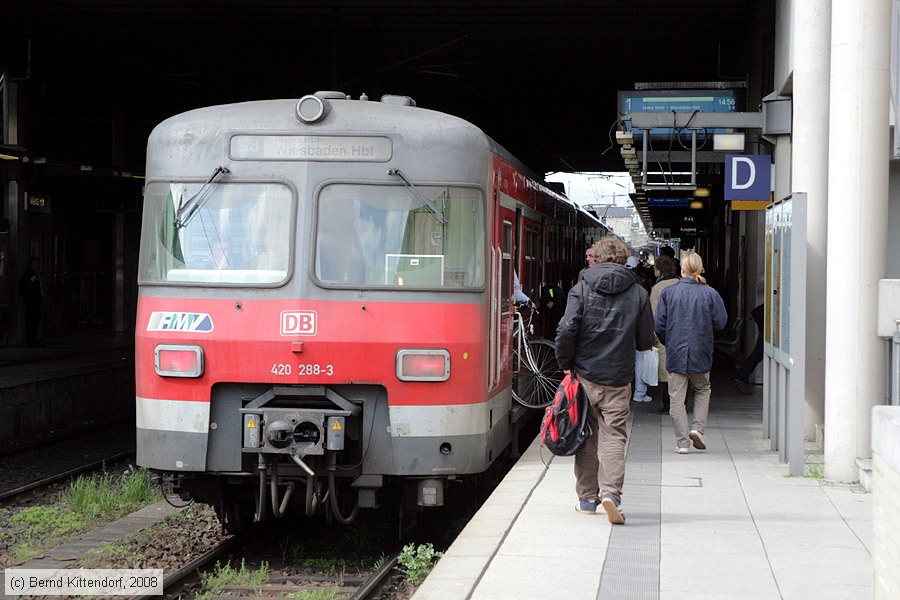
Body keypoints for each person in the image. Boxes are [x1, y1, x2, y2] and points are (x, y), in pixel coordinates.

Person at [555, 236, 654, 524]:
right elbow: (645, 340)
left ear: (596, 258)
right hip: (618, 378)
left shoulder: (581, 288)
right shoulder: (638, 293)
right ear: (624, 260)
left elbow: (565, 330)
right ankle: (611, 493)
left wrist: (566, 364)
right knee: (614, 437)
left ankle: (587, 500)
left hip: (584, 377)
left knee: (585, 438)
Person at [655, 252, 727, 454]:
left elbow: (659, 324)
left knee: (677, 398)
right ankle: (697, 428)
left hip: (676, 350)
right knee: (703, 389)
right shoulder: (710, 293)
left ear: (682, 269)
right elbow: (720, 322)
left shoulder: (668, 293)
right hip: (701, 349)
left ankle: (682, 443)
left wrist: (668, 341)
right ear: (700, 269)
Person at [649, 256, 679, 413]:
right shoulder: (680, 283)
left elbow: (654, 315)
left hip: (665, 335)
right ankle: (681, 402)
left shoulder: (658, 288)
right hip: (681, 333)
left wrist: (653, 337)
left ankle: (668, 405)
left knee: (666, 371)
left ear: (658, 270)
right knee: (680, 370)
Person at [626, 256, 652, 403]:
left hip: (623, 328)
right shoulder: (640, 285)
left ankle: (624, 390)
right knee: (640, 358)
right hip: (637, 325)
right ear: (636, 267)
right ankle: (639, 392)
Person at [733, 303, 765, 394]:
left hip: (761, 316)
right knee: (758, 354)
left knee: (758, 354)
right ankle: (741, 378)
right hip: (763, 318)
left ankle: (741, 378)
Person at [18, 256, 45, 347]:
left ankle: (33, 339)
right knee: (32, 320)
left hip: (36, 300)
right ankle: (31, 340)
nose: (37, 265)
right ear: (31, 264)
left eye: (38, 263)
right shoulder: (29, 273)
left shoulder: (38, 274)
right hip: (31, 301)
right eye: (35, 263)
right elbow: (22, 286)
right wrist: (31, 282)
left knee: (36, 320)